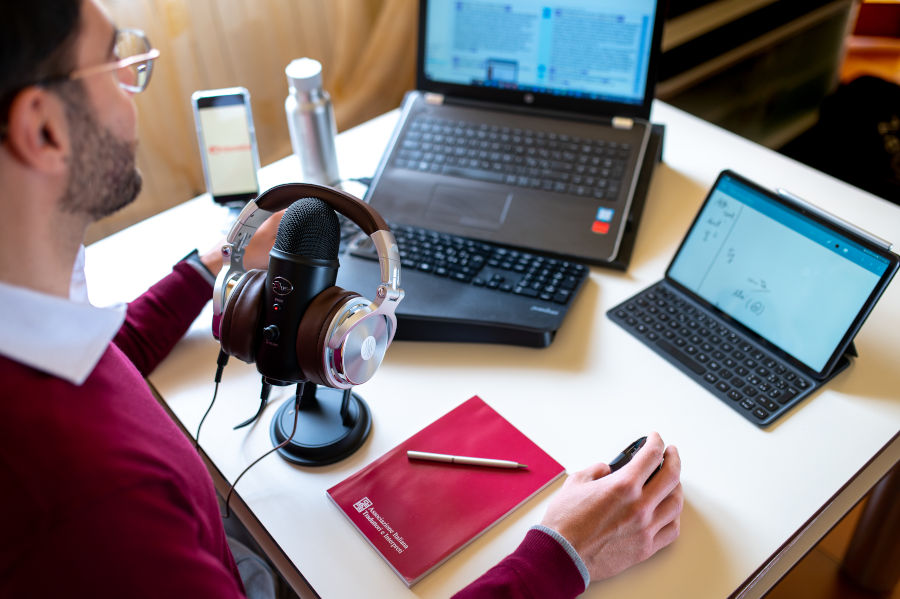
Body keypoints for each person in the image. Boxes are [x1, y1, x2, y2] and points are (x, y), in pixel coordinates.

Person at [0, 1, 683, 597]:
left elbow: (106, 361)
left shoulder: (37, 336)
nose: (132, 88)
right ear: (44, 129)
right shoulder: (95, 507)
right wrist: (562, 556)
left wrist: (215, 266)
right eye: (114, 64)